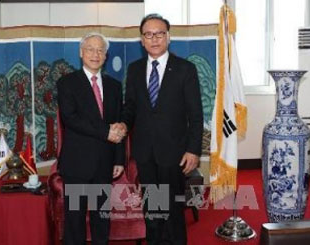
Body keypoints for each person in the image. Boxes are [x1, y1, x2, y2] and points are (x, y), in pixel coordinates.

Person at [118, 14, 203, 244]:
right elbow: (131, 107)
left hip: (174, 153)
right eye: (148, 34)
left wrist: (194, 150)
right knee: (153, 210)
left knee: (173, 211)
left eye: (159, 33)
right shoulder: (135, 69)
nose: (154, 39)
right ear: (142, 40)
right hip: (146, 153)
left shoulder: (185, 69)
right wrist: (123, 123)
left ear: (168, 37)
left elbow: (196, 115)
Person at [57, 32, 125, 245]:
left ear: (105, 55)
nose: (95, 54)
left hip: (104, 164)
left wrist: (119, 159)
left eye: (100, 50)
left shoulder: (114, 85)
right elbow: (70, 118)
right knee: (75, 220)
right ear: (81, 53)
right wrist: (105, 132)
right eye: (90, 49)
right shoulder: (67, 83)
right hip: (77, 164)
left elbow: (119, 124)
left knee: (101, 219)